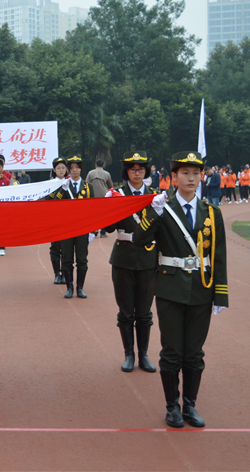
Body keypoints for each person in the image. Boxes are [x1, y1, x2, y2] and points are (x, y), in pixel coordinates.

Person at [135, 151, 229, 428]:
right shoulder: (163, 208)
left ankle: (190, 405)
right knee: (172, 350)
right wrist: (154, 212)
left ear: (202, 177)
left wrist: (220, 293)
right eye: (185, 173)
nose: (191, 178)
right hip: (170, 289)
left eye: (196, 173)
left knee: (194, 352)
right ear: (173, 178)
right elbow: (139, 240)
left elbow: (219, 256)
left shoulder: (212, 213)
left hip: (202, 288)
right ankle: (171, 407)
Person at [104, 152, 158, 373]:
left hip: (148, 259)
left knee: (144, 312)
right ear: (126, 172)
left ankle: (144, 355)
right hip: (124, 258)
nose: (137, 173)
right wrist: (107, 209)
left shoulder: (156, 196)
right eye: (133, 169)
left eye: (141, 169)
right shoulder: (116, 194)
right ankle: (129, 354)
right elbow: (107, 229)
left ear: (146, 171)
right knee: (125, 311)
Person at [51, 156, 95, 298]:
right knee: (67, 258)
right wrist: (62, 190)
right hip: (67, 228)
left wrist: (93, 230)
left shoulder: (88, 187)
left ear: (81, 169)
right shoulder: (63, 185)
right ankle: (69, 288)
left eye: (77, 167)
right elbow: (54, 203)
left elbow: (93, 209)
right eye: (72, 168)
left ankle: (80, 288)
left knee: (82, 259)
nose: (74, 170)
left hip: (82, 228)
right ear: (69, 170)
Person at [42, 157, 69, 284]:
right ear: (54, 170)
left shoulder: (70, 183)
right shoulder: (50, 184)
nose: (61, 170)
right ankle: (57, 273)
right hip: (54, 220)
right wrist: (60, 191)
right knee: (55, 248)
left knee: (66, 248)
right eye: (58, 168)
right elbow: (48, 201)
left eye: (63, 168)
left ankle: (64, 273)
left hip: (66, 219)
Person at [87, 159, 113, 237]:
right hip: (103, 197)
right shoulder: (106, 174)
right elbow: (110, 186)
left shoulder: (90, 173)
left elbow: (86, 184)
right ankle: (103, 232)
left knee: (93, 215)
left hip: (93, 196)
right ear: (103, 165)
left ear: (96, 165)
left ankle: (93, 231)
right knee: (103, 215)